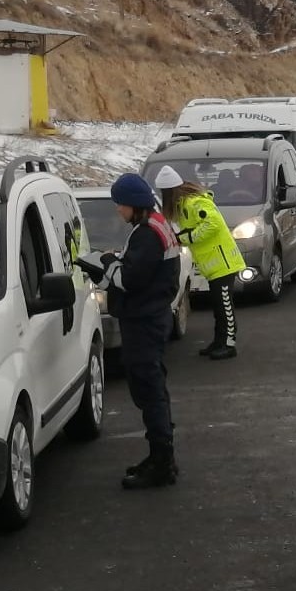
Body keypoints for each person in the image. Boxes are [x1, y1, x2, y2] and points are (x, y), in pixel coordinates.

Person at [78, 174, 182, 489]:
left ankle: (162, 463)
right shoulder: (154, 225)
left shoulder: (147, 234)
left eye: (119, 205)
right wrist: (115, 263)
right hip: (151, 317)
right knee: (153, 389)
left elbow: (131, 280)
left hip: (144, 321)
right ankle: (161, 456)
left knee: (149, 391)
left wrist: (105, 264)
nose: (118, 211)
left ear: (132, 205)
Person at [155, 165, 246, 361]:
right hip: (213, 265)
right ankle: (220, 340)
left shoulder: (194, 203)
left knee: (224, 304)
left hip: (223, 262)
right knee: (218, 305)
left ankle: (229, 343)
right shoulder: (185, 205)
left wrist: (186, 237)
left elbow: (212, 224)